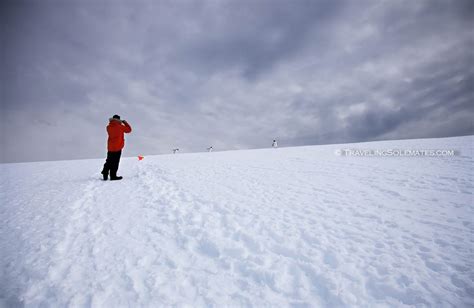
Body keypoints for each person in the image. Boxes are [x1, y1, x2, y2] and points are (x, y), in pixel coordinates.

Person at [101, 115, 132, 181]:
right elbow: (129, 130)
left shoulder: (108, 127)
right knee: (115, 162)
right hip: (117, 147)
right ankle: (113, 176)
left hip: (110, 147)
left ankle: (105, 172)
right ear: (118, 120)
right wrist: (125, 122)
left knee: (109, 161)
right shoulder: (120, 126)